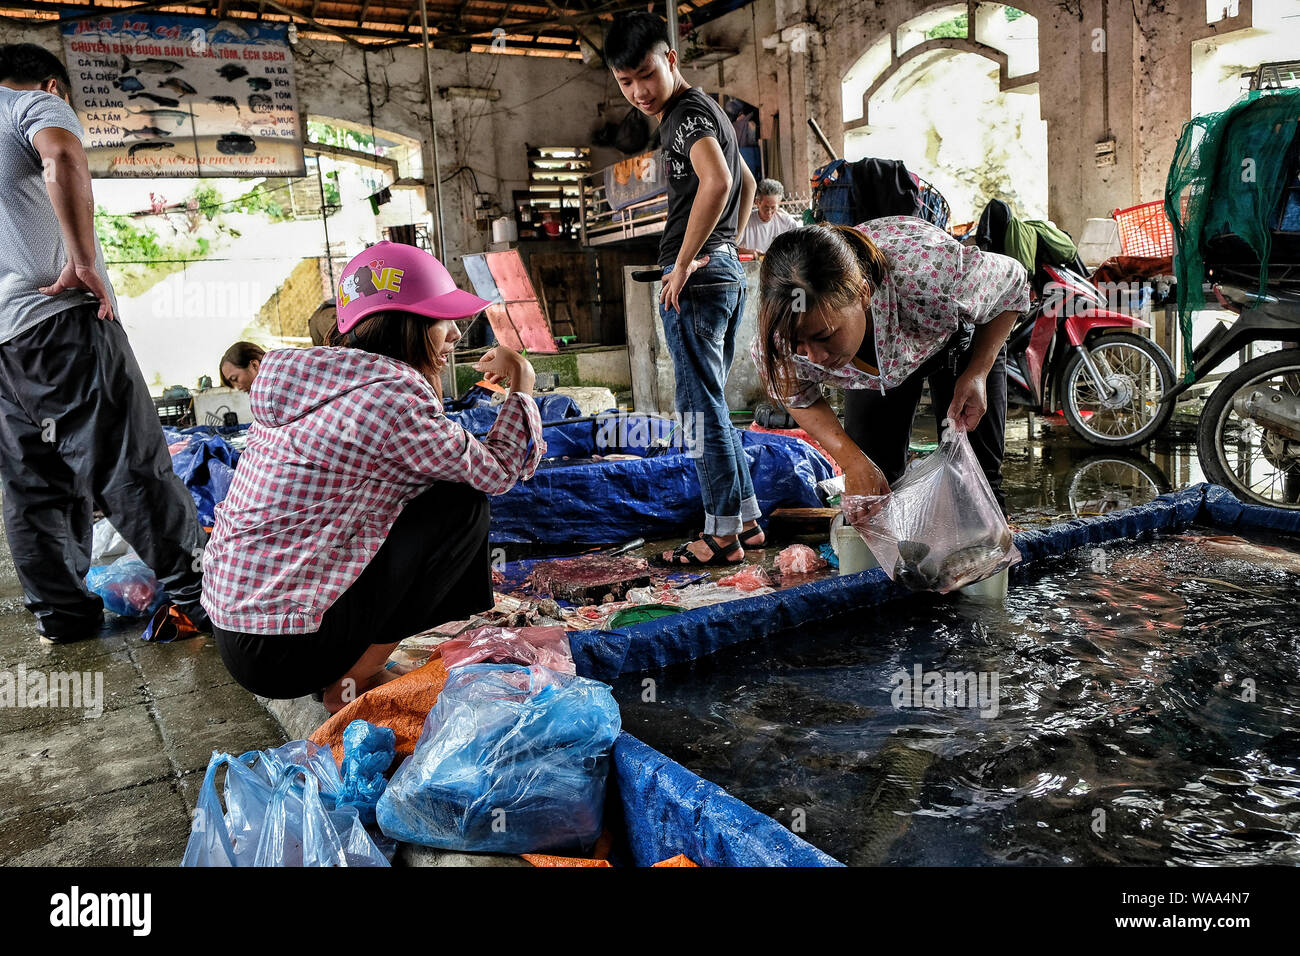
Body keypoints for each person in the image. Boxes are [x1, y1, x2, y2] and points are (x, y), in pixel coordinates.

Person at [201, 242, 544, 713]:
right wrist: (522, 382)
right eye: (443, 320)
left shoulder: (313, 379)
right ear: (410, 326)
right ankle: (351, 678)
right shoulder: (393, 399)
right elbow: (502, 469)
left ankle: (354, 663)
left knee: (430, 490)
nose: (456, 334)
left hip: (239, 632)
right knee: (460, 504)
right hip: (282, 651)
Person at [0, 43, 209, 643]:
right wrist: (84, 260)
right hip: (59, 320)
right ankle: (201, 599)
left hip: (7, 347)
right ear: (52, 86)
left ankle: (62, 617)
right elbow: (62, 156)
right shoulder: (33, 105)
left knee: (33, 483)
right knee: (128, 462)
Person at [606, 12, 761, 566]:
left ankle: (720, 535)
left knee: (699, 410)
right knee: (712, 404)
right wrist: (727, 246)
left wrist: (689, 259)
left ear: (671, 58)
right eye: (625, 82)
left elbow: (720, 183)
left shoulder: (683, 119)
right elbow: (745, 182)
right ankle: (745, 518)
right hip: (721, 274)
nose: (639, 92)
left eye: (646, 74)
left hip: (694, 282)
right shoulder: (710, 110)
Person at [753, 218, 1029, 516]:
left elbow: (1013, 283)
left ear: (862, 293)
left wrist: (978, 371)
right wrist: (852, 461)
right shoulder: (779, 332)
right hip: (874, 368)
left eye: (824, 336)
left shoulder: (935, 277)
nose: (815, 357)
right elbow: (797, 396)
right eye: (799, 344)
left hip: (952, 344)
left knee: (973, 483)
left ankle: (987, 556)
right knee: (873, 489)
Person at [738, 178, 800, 257]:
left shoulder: (786, 221)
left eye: (773, 207)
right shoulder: (746, 221)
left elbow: (800, 243)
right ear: (757, 202)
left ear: (779, 203)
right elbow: (730, 247)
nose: (769, 212)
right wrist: (748, 252)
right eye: (766, 208)